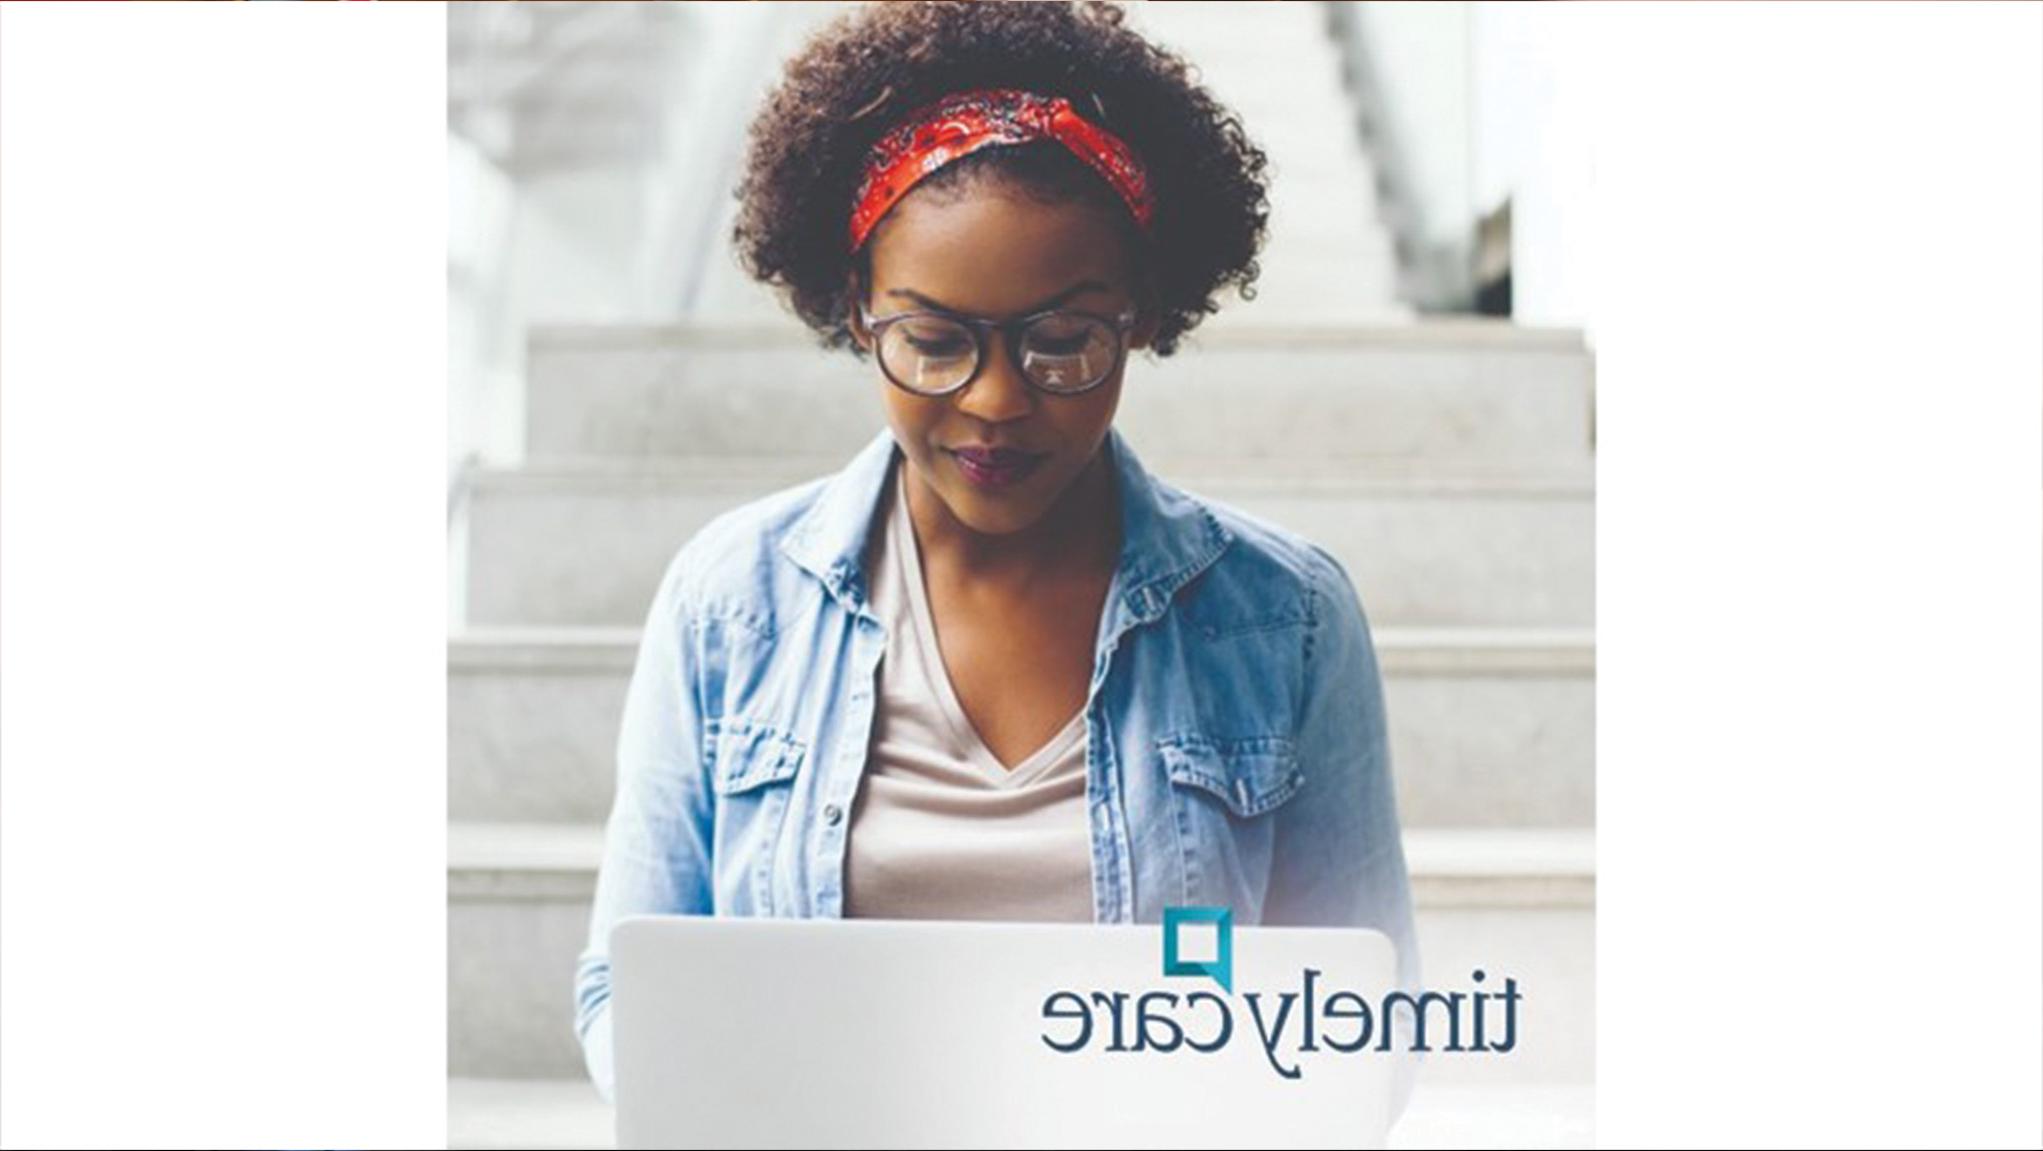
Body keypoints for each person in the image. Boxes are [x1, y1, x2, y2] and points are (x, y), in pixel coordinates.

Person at [573, 0, 1420, 1118]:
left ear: (1142, 317)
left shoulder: (1287, 618)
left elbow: (1361, 1018)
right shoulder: (732, 603)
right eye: (932, 340)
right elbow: (620, 992)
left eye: (1062, 341)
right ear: (855, 313)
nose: (995, 398)